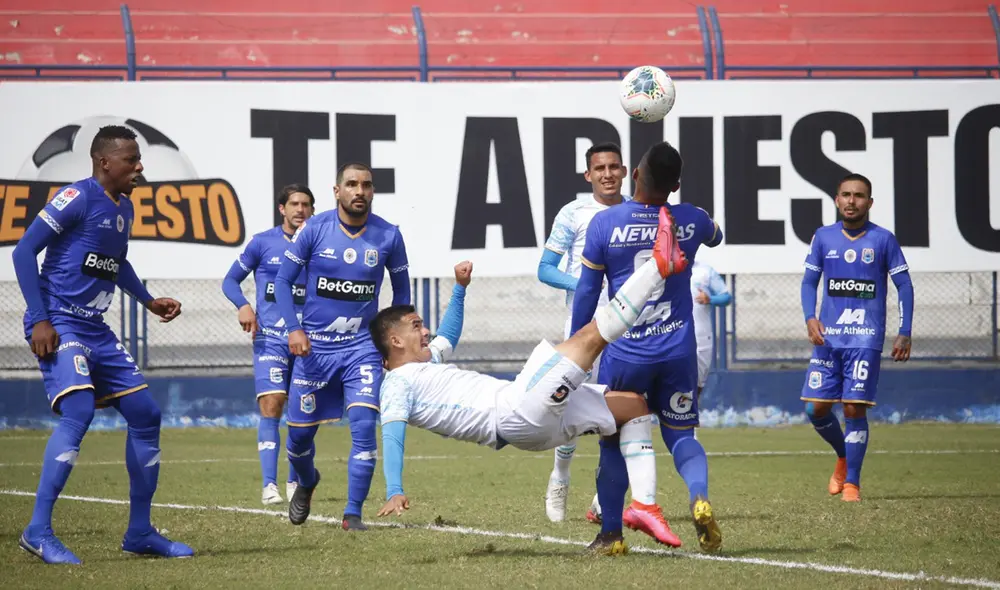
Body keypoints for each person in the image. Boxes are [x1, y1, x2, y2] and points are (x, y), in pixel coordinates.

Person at [370, 202, 689, 556]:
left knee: (634, 407)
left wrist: (460, 288)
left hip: (528, 424)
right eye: (416, 326)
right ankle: (659, 267)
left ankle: (643, 507)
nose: (426, 331)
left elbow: (448, 335)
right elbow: (393, 434)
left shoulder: (424, 362)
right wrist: (394, 489)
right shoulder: (397, 383)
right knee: (590, 337)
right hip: (515, 411)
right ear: (395, 341)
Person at [11, 125, 193, 564]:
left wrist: (148, 300)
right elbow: (22, 252)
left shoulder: (124, 207)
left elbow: (116, 262)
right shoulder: (76, 198)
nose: (139, 166)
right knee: (79, 409)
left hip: (96, 328)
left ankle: (140, 532)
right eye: (131, 159)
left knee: (147, 413)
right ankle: (37, 531)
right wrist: (39, 318)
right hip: (59, 322)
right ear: (104, 162)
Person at [572, 141, 724, 552]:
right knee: (682, 434)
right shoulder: (690, 218)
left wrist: (577, 348)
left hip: (626, 352)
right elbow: (717, 235)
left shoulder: (605, 224)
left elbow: (587, 293)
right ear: (675, 184)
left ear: (634, 175)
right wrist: (688, 220)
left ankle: (611, 535)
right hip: (677, 351)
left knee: (613, 442)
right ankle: (698, 496)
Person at [273, 163, 411, 530]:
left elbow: (403, 295)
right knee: (299, 440)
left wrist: (394, 342)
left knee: (364, 424)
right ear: (337, 191)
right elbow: (282, 282)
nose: (359, 191)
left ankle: (353, 514)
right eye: (351, 184)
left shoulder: (388, 236)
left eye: (366, 185)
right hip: (313, 351)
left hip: (362, 349)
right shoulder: (313, 231)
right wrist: (293, 329)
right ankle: (306, 481)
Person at [537, 142, 662, 527]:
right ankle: (560, 477)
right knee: (567, 405)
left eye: (613, 167)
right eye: (599, 168)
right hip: (583, 328)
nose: (607, 174)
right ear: (588, 175)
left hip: (631, 330)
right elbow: (545, 268)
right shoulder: (573, 213)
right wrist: (587, 281)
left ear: (625, 172)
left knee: (626, 409)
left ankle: (600, 498)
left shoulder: (640, 213)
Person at [800, 173, 913, 503]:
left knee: (853, 408)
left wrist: (904, 332)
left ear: (870, 203)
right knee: (816, 410)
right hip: (829, 339)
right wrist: (810, 317)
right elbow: (809, 282)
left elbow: (904, 285)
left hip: (865, 337)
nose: (852, 200)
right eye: (846, 195)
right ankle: (843, 455)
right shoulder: (823, 238)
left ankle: (852, 483)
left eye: (859, 196)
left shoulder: (883, 240)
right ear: (837, 200)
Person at [222, 183, 315, 505]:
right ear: (282, 209)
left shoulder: (319, 243)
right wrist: (243, 305)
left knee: (304, 412)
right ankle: (269, 485)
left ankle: (295, 482)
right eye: (294, 204)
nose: (300, 209)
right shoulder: (263, 243)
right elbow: (230, 279)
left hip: (310, 340)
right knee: (272, 405)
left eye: (305, 204)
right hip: (272, 338)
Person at [690, 259, 732, 396]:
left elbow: (726, 297)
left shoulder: (705, 271)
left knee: (697, 386)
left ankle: (692, 415)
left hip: (701, 336)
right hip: (673, 336)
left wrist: (710, 299)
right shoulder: (665, 269)